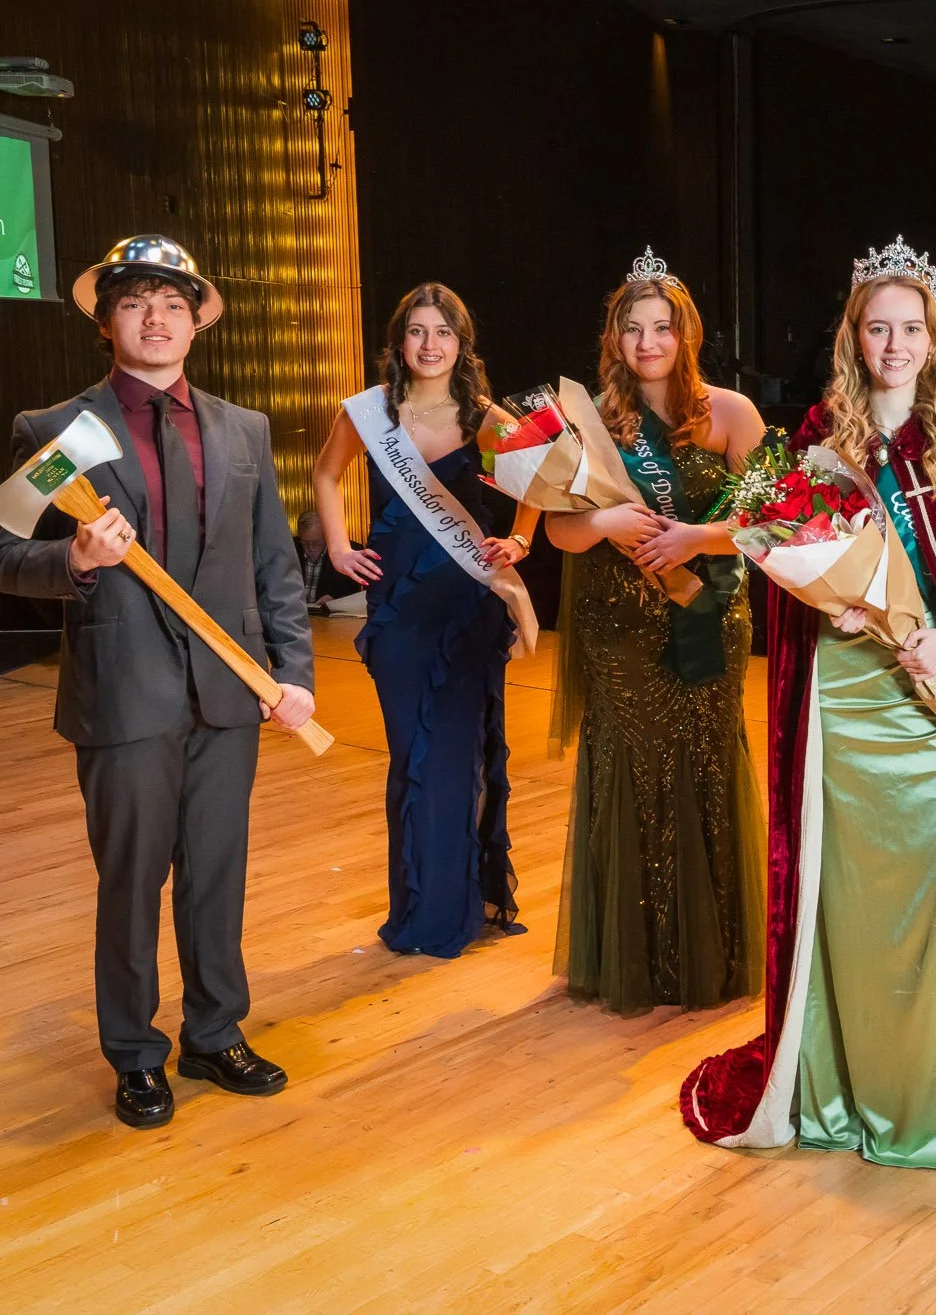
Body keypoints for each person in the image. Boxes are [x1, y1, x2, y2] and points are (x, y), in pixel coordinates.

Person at [680, 236, 936, 1171]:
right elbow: (786, 561)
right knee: (854, 903)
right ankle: (854, 1075)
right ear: (853, 336)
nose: (894, 345)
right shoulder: (816, 435)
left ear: (934, 338)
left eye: (910, 330)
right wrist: (835, 605)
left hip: (932, 682)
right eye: (876, 329)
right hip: (848, 690)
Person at [0, 234, 315, 1128]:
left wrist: (294, 674)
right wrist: (74, 557)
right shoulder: (60, 432)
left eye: (173, 304)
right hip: (124, 698)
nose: (156, 318)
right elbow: (6, 549)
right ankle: (135, 1054)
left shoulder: (241, 429)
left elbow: (274, 567)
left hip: (228, 695)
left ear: (196, 322)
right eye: (136, 303)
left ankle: (216, 1033)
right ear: (106, 322)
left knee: (217, 875)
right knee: (131, 881)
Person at [545, 249, 767, 1016]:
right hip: (618, 626)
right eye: (632, 328)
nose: (647, 342)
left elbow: (771, 521)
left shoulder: (731, 413)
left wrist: (691, 541)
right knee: (631, 771)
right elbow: (560, 534)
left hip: (707, 614)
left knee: (705, 764)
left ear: (685, 334)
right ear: (614, 338)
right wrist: (602, 519)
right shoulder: (590, 421)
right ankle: (632, 957)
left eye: (661, 328)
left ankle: (709, 955)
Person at [311, 282, 538, 959]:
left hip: (466, 607)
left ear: (461, 344)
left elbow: (543, 489)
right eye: (416, 331)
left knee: (459, 758)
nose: (429, 345)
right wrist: (337, 546)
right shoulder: (370, 414)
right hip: (400, 609)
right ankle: (416, 907)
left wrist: (520, 541)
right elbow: (325, 475)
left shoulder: (485, 419)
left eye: (442, 333)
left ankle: (451, 912)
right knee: (412, 755)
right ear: (398, 341)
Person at [294, 509, 353, 610]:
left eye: (316, 543)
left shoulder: (347, 554)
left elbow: (352, 594)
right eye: (305, 543)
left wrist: (335, 600)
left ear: (326, 537)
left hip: (328, 618)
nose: (310, 548)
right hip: (296, 615)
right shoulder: (291, 550)